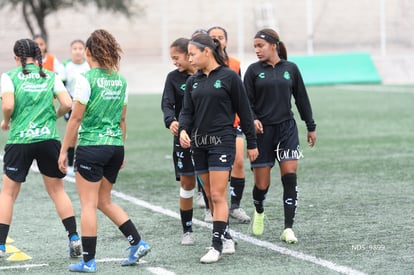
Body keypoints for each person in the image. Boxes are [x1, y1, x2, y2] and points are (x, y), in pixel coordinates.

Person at [58, 29, 150, 272]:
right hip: (114, 146)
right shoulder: (121, 80)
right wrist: (121, 148)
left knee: (88, 205)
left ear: (88, 52)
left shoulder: (86, 78)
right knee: (103, 200)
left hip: (91, 147)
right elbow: (122, 119)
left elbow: (75, 119)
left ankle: (88, 261)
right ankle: (137, 242)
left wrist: (64, 150)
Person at [179, 33, 258, 263]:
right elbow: (186, 112)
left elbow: (244, 111)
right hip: (198, 144)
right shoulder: (193, 81)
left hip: (222, 140)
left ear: (207, 52)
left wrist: (251, 143)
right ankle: (226, 236)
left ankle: (216, 246)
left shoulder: (229, 77)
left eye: (192, 54)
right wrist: (184, 130)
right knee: (209, 196)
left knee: (217, 194)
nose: (190, 59)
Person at [0, 38, 81, 259]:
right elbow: (67, 103)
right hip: (48, 139)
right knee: (57, 191)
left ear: (17, 58)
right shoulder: (51, 76)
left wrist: (6, 120)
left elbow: (8, 104)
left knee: (8, 194)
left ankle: (0, 245)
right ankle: (74, 237)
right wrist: (51, 117)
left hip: (20, 140)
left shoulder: (9, 77)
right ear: (38, 57)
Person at [243, 28, 317, 243]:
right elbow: (245, 102)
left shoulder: (290, 69)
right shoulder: (253, 71)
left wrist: (310, 126)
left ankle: (288, 228)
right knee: (262, 185)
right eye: (255, 46)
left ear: (274, 45)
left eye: (260, 45)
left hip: (287, 130)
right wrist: (253, 118)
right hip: (262, 133)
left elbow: (301, 98)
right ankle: (259, 210)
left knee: (290, 177)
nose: (257, 50)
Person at [208, 26, 250, 223]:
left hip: (233, 122)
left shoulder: (234, 64)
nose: (217, 40)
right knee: (212, 166)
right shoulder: (201, 63)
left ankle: (235, 206)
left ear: (226, 40)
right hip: (210, 124)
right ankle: (212, 205)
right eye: (213, 38)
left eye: (220, 37)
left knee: (239, 161)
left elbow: (240, 95)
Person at [161, 37, 197, 245]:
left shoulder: (206, 75)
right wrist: (171, 121)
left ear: (189, 54)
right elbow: (167, 104)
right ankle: (187, 230)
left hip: (207, 137)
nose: (174, 62)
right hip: (182, 138)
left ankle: (221, 232)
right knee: (187, 181)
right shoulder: (173, 78)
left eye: (177, 57)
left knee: (211, 185)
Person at [61, 39, 90, 176]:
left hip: (86, 105)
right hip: (72, 104)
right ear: (71, 51)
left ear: (85, 51)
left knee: (84, 133)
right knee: (72, 134)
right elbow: (62, 86)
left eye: (80, 48)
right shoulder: (66, 66)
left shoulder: (88, 65)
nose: (77, 51)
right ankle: (71, 165)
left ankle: (84, 162)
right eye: (75, 48)